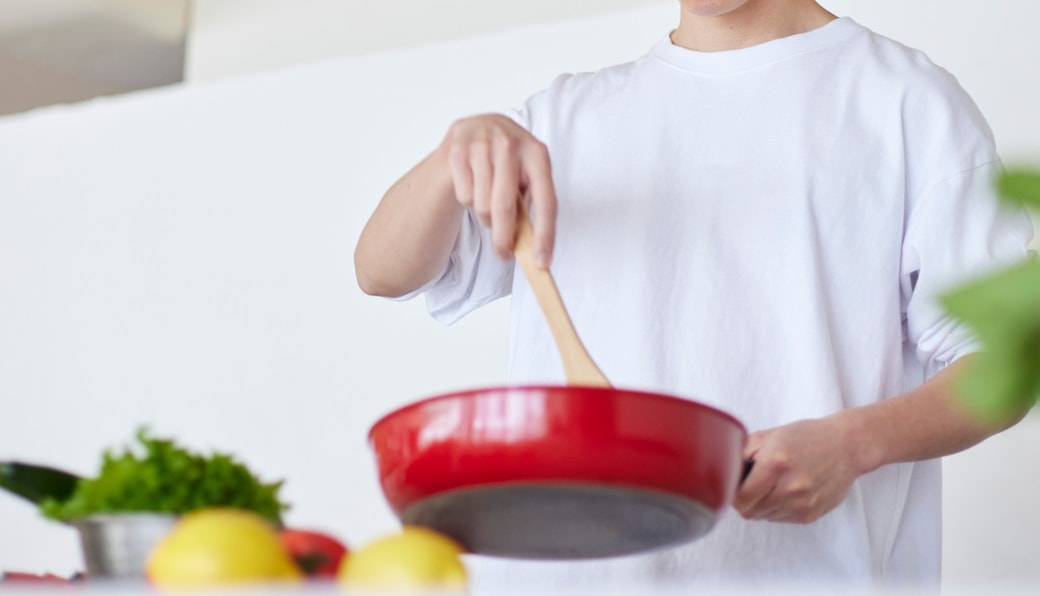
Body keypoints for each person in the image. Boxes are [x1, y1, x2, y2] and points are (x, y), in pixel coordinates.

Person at [354, 0, 1033, 588]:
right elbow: (382, 271)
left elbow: (1006, 365)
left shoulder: (905, 101)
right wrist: (454, 156)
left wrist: (853, 443)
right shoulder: (560, 119)